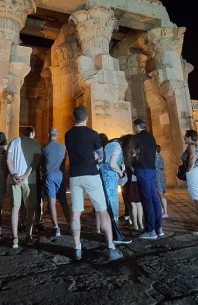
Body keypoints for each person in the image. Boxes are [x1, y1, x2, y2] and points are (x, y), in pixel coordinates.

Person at [64, 106, 123, 261]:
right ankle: (111, 247)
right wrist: (96, 155)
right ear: (87, 118)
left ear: (73, 118)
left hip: (75, 175)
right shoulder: (93, 134)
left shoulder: (68, 134)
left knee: (76, 214)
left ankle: (77, 249)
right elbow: (101, 156)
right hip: (91, 174)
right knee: (102, 211)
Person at [6, 126, 42, 248]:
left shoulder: (14, 141)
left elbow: (8, 159)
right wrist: (25, 175)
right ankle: (28, 236)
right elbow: (36, 162)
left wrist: (14, 174)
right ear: (32, 133)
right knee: (30, 209)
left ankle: (15, 238)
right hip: (29, 181)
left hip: (14, 180)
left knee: (15, 208)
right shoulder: (35, 143)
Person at [131, 118, 163, 240]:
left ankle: (151, 230)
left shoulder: (136, 138)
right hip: (152, 169)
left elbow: (133, 153)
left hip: (142, 169)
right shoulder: (151, 137)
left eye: (134, 126)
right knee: (154, 198)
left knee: (147, 199)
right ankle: (159, 227)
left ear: (138, 126)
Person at [98, 134, 132, 244]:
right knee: (113, 205)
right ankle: (116, 235)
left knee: (107, 205)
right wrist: (121, 172)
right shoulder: (117, 146)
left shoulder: (110, 145)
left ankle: (110, 233)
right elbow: (112, 164)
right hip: (110, 178)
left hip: (103, 176)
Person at [42, 127, 71, 237]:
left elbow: (43, 163)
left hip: (49, 175)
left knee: (52, 202)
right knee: (64, 202)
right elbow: (64, 163)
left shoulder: (44, 148)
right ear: (57, 135)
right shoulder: (63, 148)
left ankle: (56, 228)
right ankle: (69, 224)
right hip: (60, 175)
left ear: (48, 135)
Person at [119, 134, 144, 231]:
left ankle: (135, 224)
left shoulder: (126, 153)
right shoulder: (138, 150)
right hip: (138, 180)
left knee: (132, 203)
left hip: (129, 181)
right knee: (138, 203)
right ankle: (141, 224)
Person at [155, 145, 169, 218]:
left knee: (161, 194)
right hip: (159, 176)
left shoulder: (157, 157)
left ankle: (165, 212)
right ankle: (162, 210)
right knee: (159, 194)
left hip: (158, 177)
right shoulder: (160, 157)